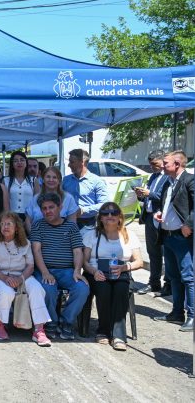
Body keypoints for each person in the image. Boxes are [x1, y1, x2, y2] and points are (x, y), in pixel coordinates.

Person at [0, 211, 51, 346]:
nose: (5, 227)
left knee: (37, 289)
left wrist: (20, 279)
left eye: (8, 224)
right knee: (6, 292)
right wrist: (4, 278)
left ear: (17, 227)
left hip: (21, 275)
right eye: (2, 224)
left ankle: (39, 330)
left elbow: (30, 266)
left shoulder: (25, 242)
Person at [83, 202, 143, 350]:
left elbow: (139, 261)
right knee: (103, 290)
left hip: (120, 272)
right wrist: (94, 271)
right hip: (96, 272)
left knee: (121, 290)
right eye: (105, 213)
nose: (109, 216)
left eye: (114, 212)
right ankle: (103, 331)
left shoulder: (129, 235)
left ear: (120, 217)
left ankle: (118, 335)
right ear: (100, 218)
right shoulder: (91, 235)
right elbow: (84, 261)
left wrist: (124, 267)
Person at [30, 192, 89, 340]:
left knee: (82, 288)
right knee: (47, 288)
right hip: (45, 269)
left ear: (60, 207)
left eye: (51, 207)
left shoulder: (71, 227)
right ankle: (51, 322)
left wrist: (77, 270)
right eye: (44, 208)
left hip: (67, 270)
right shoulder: (38, 225)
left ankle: (66, 321)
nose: (48, 211)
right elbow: (36, 250)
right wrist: (44, 272)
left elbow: (77, 251)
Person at [154, 150, 194, 332]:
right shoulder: (167, 183)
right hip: (168, 236)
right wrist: (160, 213)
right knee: (174, 277)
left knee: (188, 277)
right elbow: (168, 205)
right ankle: (177, 313)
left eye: (166, 163)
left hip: (182, 237)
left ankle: (192, 316)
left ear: (177, 164)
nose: (162, 165)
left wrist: (189, 224)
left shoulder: (189, 180)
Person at [135, 150, 169, 296]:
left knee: (167, 253)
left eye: (155, 164)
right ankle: (154, 283)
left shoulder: (168, 177)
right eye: (150, 165)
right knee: (153, 253)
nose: (152, 167)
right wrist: (141, 195)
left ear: (162, 162)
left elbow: (165, 198)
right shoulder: (153, 177)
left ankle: (169, 284)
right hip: (149, 218)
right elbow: (148, 198)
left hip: (162, 219)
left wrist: (150, 194)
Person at [62, 148, 109, 234]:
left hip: (88, 225)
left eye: (72, 162)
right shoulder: (65, 180)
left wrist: (84, 210)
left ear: (82, 162)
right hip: (67, 223)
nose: (69, 165)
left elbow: (104, 204)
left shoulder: (97, 181)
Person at [25, 167, 79, 232]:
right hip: (37, 239)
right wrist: (34, 237)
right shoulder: (35, 198)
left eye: (54, 177)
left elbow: (72, 223)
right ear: (43, 180)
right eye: (48, 177)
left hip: (61, 239)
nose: (51, 180)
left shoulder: (68, 198)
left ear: (59, 181)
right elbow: (28, 221)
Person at [3, 151, 38, 221]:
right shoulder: (6, 180)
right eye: (15, 161)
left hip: (29, 217)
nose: (19, 162)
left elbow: (37, 201)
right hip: (12, 217)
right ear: (12, 164)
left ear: (26, 163)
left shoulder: (33, 180)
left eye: (22, 160)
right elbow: (5, 202)